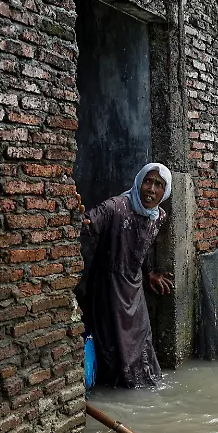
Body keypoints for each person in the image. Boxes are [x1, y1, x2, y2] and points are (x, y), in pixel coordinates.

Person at [77, 163, 175, 388]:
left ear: (165, 192)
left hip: (134, 288)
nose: (151, 189)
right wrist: (78, 216)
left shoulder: (158, 216)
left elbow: (144, 246)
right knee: (114, 349)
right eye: (148, 181)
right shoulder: (116, 207)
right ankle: (118, 393)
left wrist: (148, 273)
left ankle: (141, 393)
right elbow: (89, 223)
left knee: (142, 345)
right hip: (108, 288)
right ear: (139, 181)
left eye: (159, 185)